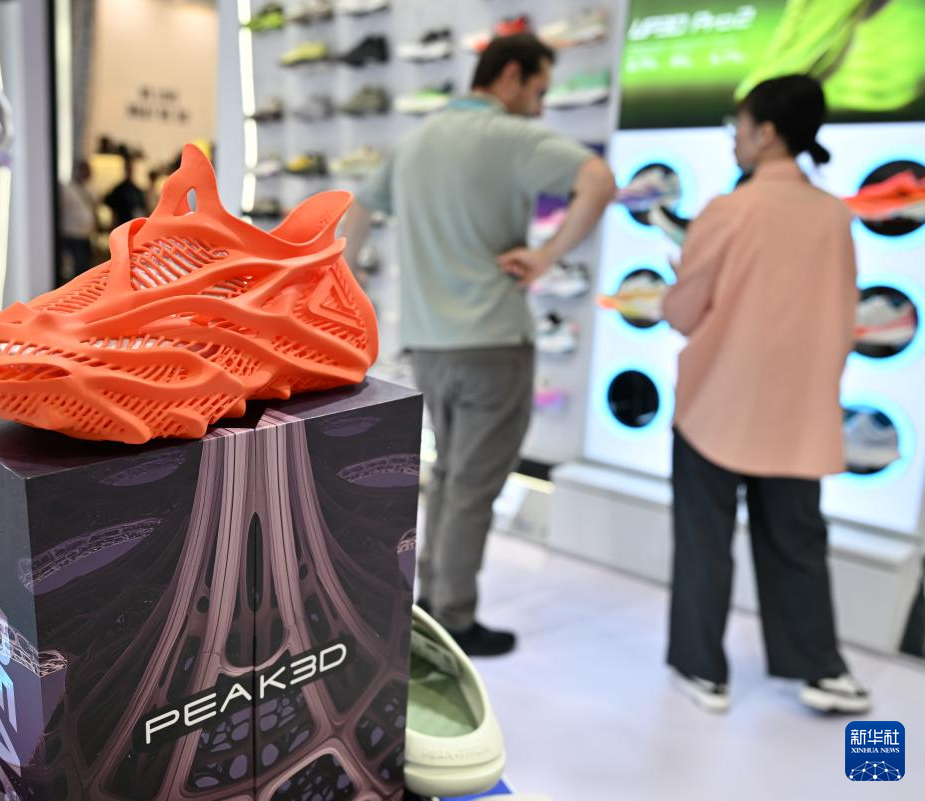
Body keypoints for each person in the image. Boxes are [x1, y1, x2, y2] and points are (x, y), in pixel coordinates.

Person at [341, 33, 616, 656]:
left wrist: (350, 284)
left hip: (428, 346)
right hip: (492, 342)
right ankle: (454, 621)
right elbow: (599, 180)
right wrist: (547, 256)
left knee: (447, 478)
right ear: (511, 75)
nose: (540, 107)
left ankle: (431, 605)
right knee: (471, 486)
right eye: (539, 91)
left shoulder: (415, 144)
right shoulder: (511, 137)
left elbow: (357, 211)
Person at [662, 75, 871, 714]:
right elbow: (845, 315)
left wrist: (675, 286)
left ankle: (702, 669)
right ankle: (820, 669)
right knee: (797, 541)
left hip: (718, 402)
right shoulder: (833, 214)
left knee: (705, 540)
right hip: (799, 409)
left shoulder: (730, 210)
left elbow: (684, 312)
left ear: (767, 132)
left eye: (741, 125)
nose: (735, 137)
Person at [59, 159, 97, 277]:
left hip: (86, 233)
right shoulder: (67, 189)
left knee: (86, 267)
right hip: (73, 233)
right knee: (79, 267)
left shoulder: (89, 188)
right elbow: (62, 211)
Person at [103, 154, 146, 228]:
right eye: (128, 167)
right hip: (122, 226)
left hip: (135, 227)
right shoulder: (118, 190)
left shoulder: (138, 191)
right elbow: (114, 213)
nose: (130, 169)